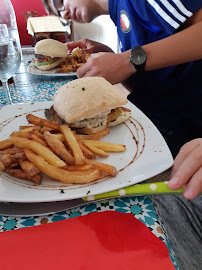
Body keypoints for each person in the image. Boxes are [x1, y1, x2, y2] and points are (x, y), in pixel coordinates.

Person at [43, 1, 202, 269]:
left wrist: (129, 59)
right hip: (151, 129)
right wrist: (114, 60)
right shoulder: (120, 9)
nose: (64, 12)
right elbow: (151, 80)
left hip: (183, 140)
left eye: (61, 2)